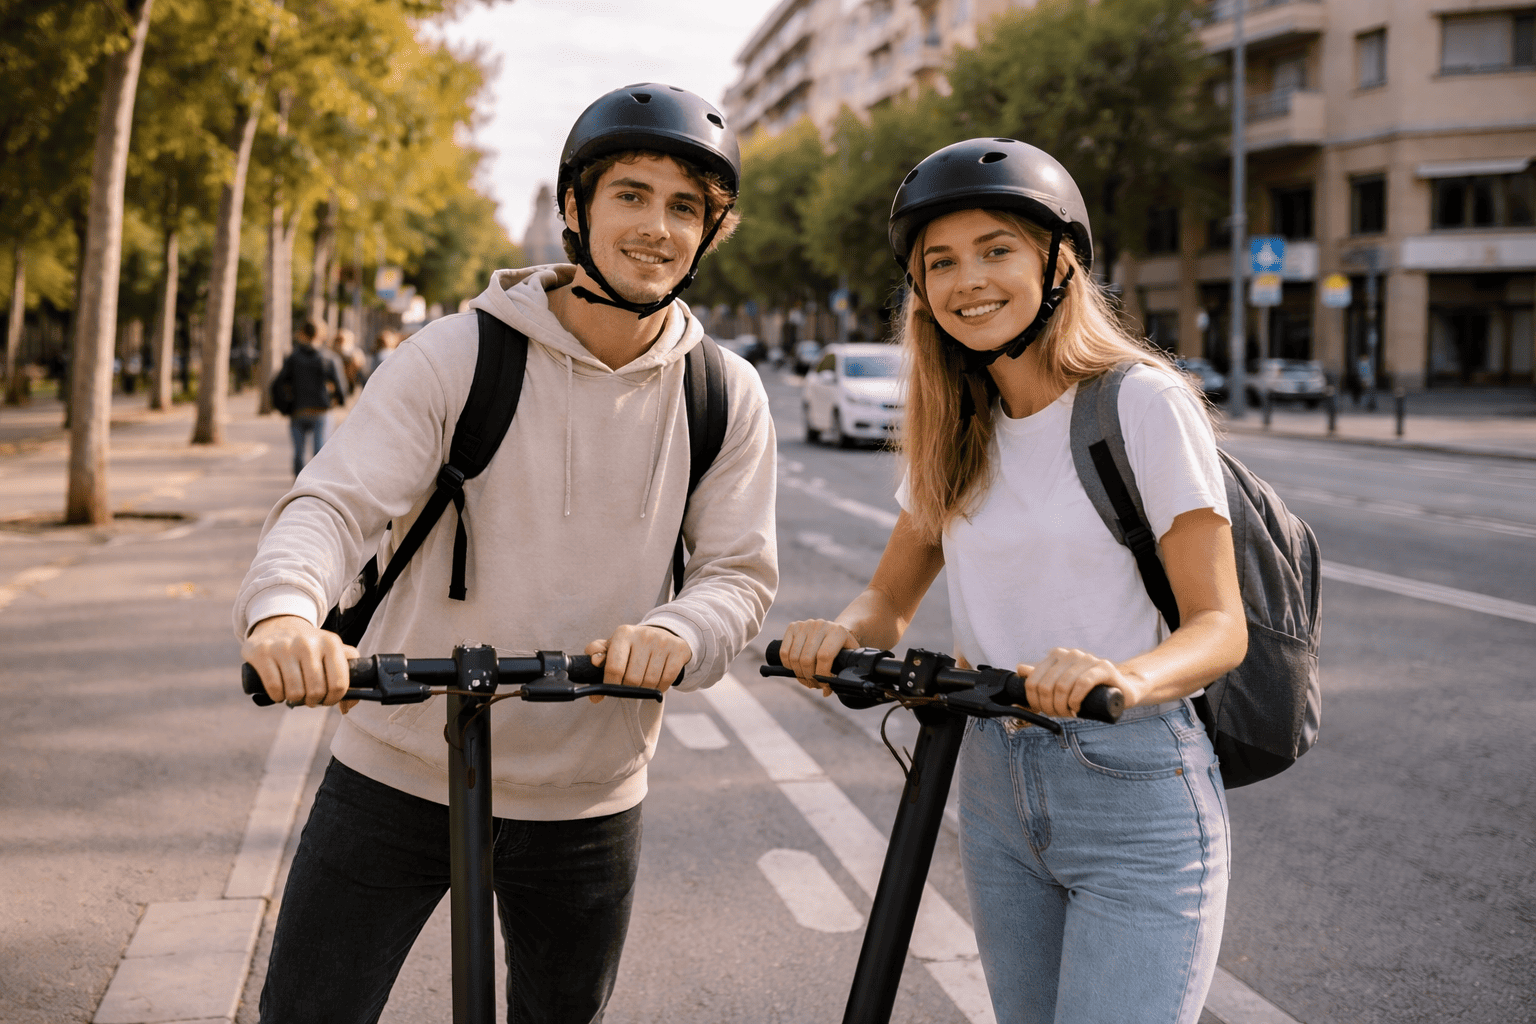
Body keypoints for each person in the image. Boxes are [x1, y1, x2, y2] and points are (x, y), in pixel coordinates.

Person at [236, 84, 776, 1024]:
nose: (657, 227)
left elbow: (737, 574)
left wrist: (680, 632)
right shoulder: (456, 355)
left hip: (589, 798)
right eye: (631, 195)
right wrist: (285, 611)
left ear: (707, 233)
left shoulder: (723, 394)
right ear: (575, 207)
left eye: (685, 208)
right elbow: (336, 502)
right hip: (399, 770)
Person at [778, 138, 1247, 1024]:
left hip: (1131, 781)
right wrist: (839, 633)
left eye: (996, 250)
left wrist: (1121, 676)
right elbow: (888, 600)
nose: (968, 281)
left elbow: (1221, 625)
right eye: (941, 263)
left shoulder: (1141, 401)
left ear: (1058, 263)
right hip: (991, 777)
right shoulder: (958, 426)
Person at [268, 320, 348, 477]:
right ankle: (316, 484)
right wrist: (338, 400)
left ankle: (298, 484)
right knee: (320, 453)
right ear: (322, 335)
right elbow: (341, 386)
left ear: (303, 334)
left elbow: (277, 384)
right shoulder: (329, 357)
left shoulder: (293, 358)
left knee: (299, 453)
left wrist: (284, 407)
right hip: (321, 410)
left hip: (298, 410)